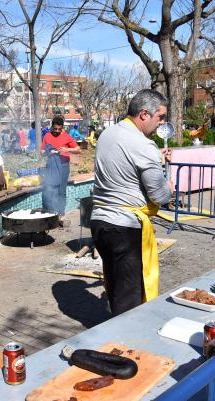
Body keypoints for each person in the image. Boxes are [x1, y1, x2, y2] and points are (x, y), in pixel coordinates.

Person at [91, 89, 172, 316]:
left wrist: (155, 157)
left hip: (100, 223)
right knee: (129, 300)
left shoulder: (108, 134)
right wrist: (170, 188)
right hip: (124, 229)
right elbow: (160, 196)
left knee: (116, 287)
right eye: (160, 117)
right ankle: (123, 347)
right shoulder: (143, 145)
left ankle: (114, 336)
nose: (161, 123)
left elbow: (124, 163)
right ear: (144, 114)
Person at [41, 116, 80, 223]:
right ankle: (51, 213)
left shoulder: (67, 136)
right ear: (51, 127)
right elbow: (42, 151)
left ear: (62, 128)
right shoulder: (47, 136)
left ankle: (61, 214)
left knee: (61, 191)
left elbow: (78, 149)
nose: (57, 131)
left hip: (63, 167)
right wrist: (47, 151)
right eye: (55, 129)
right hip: (51, 166)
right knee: (51, 189)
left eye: (59, 129)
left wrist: (66, 149)